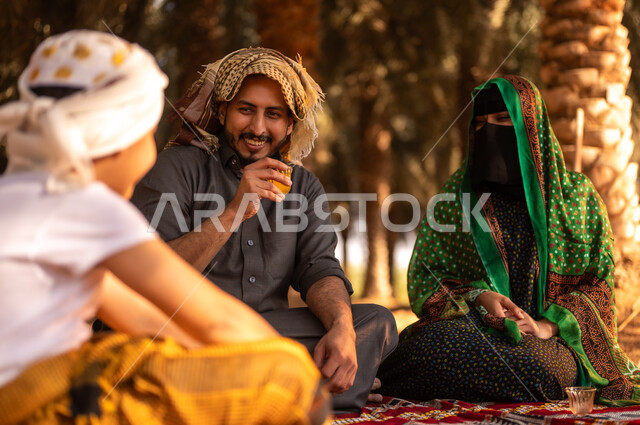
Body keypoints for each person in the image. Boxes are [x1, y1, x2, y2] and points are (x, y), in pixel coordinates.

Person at [0, 30, 330, 425]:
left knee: (364, 323)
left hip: (43, 384)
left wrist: (213, 365)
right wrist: (283, 369)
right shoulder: (89, 207)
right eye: (149, 133)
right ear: (120, 141)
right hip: (35, 403)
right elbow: (218, 322)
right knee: (287, 375)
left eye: (274, 114)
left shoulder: (20, 194)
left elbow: (140, 316)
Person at [131, 47, 398, 412]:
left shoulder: (302, 185)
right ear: (223, 110)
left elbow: (319, 268)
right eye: (246, 110)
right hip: (188, 333)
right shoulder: (177, 167)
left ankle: (261, 390)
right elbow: (149, 276)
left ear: (290, 124)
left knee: (375, 321)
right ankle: (302, 393)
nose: (258, 128)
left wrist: (342, 327)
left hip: (267, 334)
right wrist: (234, 210)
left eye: (273, 114)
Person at [378, 75, 640, 406]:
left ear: (531, 127)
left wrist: (546, 326)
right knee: (408, 357)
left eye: (503, 120)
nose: (490, 132)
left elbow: (598, 287)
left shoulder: (577, 197)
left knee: (538, 370)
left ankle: (464, 387)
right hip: (475, 330)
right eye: (480, 125)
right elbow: (427, 280)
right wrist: (480, 296)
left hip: (550, 342)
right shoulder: (455, 198)